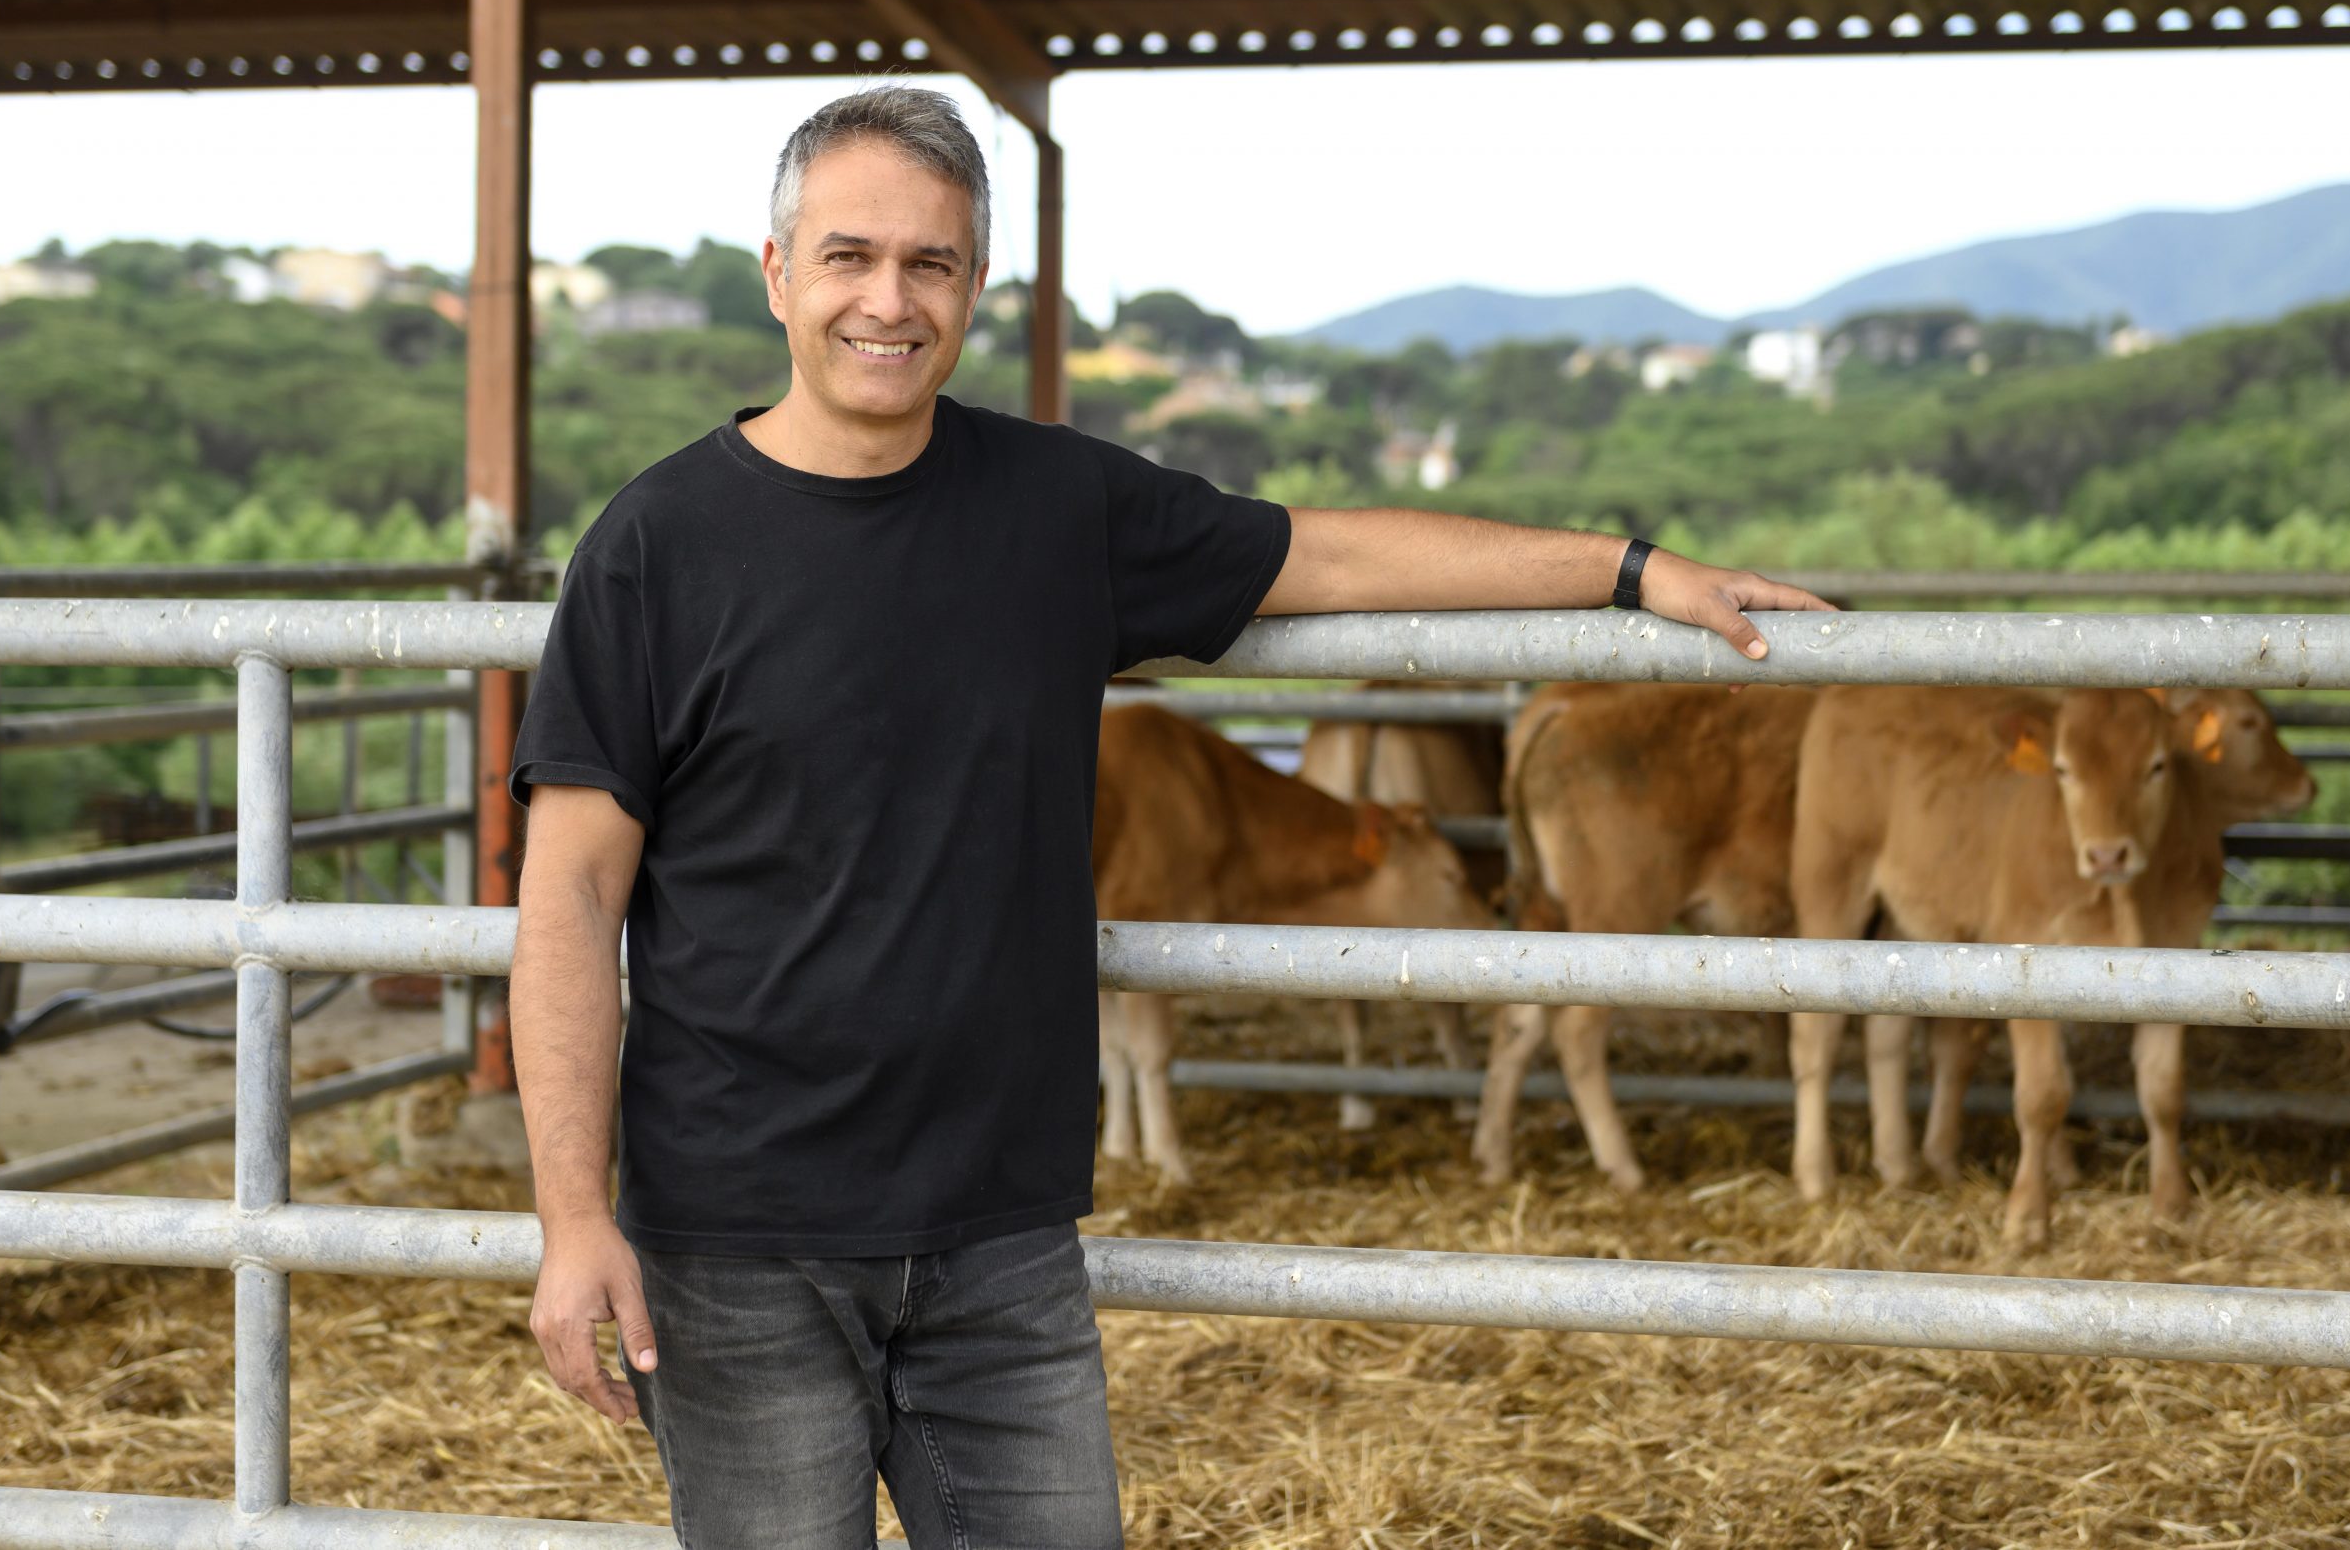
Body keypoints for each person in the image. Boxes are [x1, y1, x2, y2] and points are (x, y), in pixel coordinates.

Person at [508, 85, 1832, 1550]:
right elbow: (568, 899)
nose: (888, 300)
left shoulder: (1056, 510)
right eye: (849, 256)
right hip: (739, 1246)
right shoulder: (654, 548)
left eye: (931, 264)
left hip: (999, 1244)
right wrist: (575, 1217)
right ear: (777, 274)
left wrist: (1635, 573)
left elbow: (1329, 557)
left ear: (976, 289)